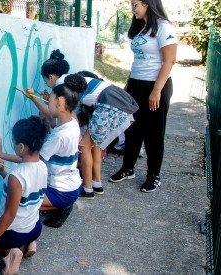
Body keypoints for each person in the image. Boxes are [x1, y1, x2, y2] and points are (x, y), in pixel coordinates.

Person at [108, 0, 177, 193]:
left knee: (153, 132)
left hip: (156, 86)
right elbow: (138, 59)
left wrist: (156, 90)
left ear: (147, 3)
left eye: (134, 4)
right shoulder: (141, 26)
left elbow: (169, 60)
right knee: (132, 128)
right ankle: (127, 168)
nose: (132, 9)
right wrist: (129, 84)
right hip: (136, 84)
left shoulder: (163, 26)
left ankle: (153, 175)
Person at [0, 116, 48, 275]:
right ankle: (27, 244)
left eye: (13, 142)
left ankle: (10, 252)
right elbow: (22, 192)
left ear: (21, 147)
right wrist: (2, 172)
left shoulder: (17, 176)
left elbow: (9, 214)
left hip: (16, 231)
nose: (13, 145)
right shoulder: (42, 166)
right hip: (34, 227)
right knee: (2, 234)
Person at [0, 84, 82, 228]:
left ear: (59, 101)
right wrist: (34, 99)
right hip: (72, 184)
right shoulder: (72, 122)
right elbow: (51, 117)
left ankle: (62, 205)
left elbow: (31, 160)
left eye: (50, 99)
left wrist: (0, 154)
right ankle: (60, 204)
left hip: (61, 190)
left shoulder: (59, 136)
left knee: (21, 202)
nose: (48, 103)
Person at [65, 72, 138, 199]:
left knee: (83, 146)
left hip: (112, 108)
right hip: (123, 108)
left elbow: (71, 113)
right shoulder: (97, 91)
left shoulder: (84, 94)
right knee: (96, 146)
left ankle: (87, 189)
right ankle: (96, 184)